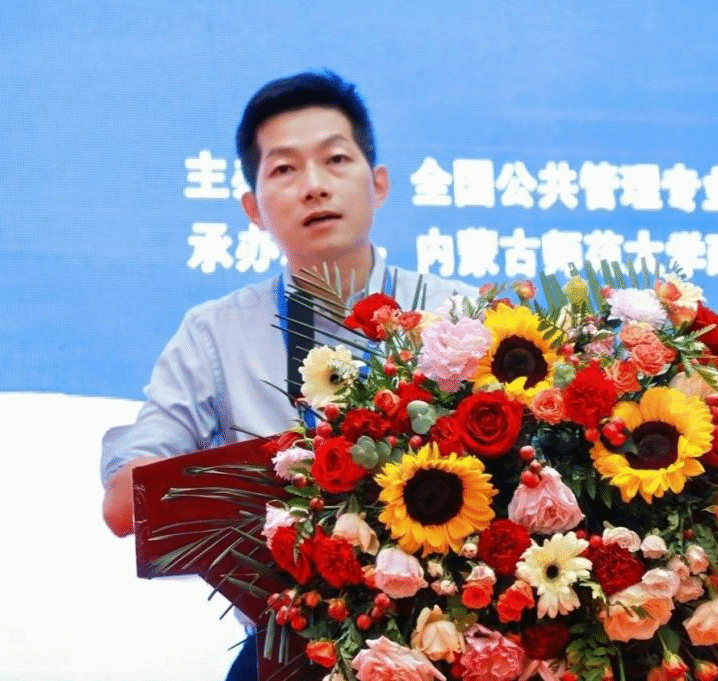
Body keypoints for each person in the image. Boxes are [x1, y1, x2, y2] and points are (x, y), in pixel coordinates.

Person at [100, 70, 475, 680]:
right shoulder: (216, 333)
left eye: (336, 160)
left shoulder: (462, 315)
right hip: (297, 643)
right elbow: (126, 503)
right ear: (254, 209)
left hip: (462, 631)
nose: (314, 186)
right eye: (284, 169)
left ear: (378, 184)